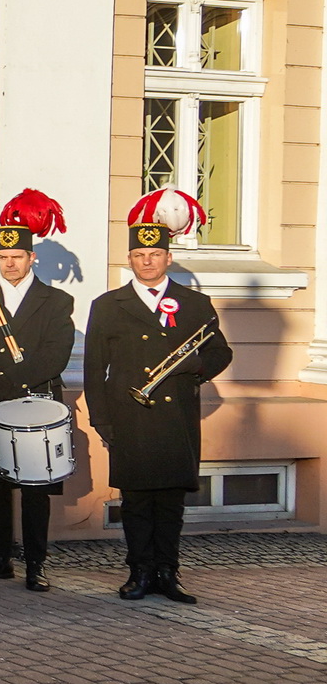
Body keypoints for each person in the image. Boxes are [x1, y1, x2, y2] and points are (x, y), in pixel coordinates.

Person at [84, 198, 233, 604]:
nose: (146, 262)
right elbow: (94, 369)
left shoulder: (195, 303)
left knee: (170, 502)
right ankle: (139, 572)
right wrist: (102, 420)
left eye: (154, 254)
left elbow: (220, 352)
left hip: (176, 417)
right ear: (130, 259)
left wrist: (193, 367)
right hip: (129, 416)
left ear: (168, 258)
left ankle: (168, 572)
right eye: (138, 255)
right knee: (135, 502)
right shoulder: (108, 305)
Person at [0, 197, 76, 592]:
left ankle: (35, 563)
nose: (10, 263)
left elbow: (56, 355)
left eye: (17, 256)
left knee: (34, 490)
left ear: (31, 258)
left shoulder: (57, 301)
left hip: (35, 406)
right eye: (3, 256)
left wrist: (11, 384)